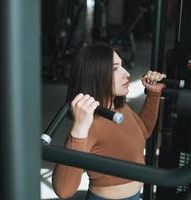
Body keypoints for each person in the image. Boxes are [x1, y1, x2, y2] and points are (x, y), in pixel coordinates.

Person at [52, 43, 166, 200]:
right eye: (115, 68)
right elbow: (63, 191)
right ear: (96, 75)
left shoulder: (118, 108)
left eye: (122, 66)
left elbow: (143, 131)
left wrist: (153, 94)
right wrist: (79, 130)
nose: (126, 73)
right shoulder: (90, 124)